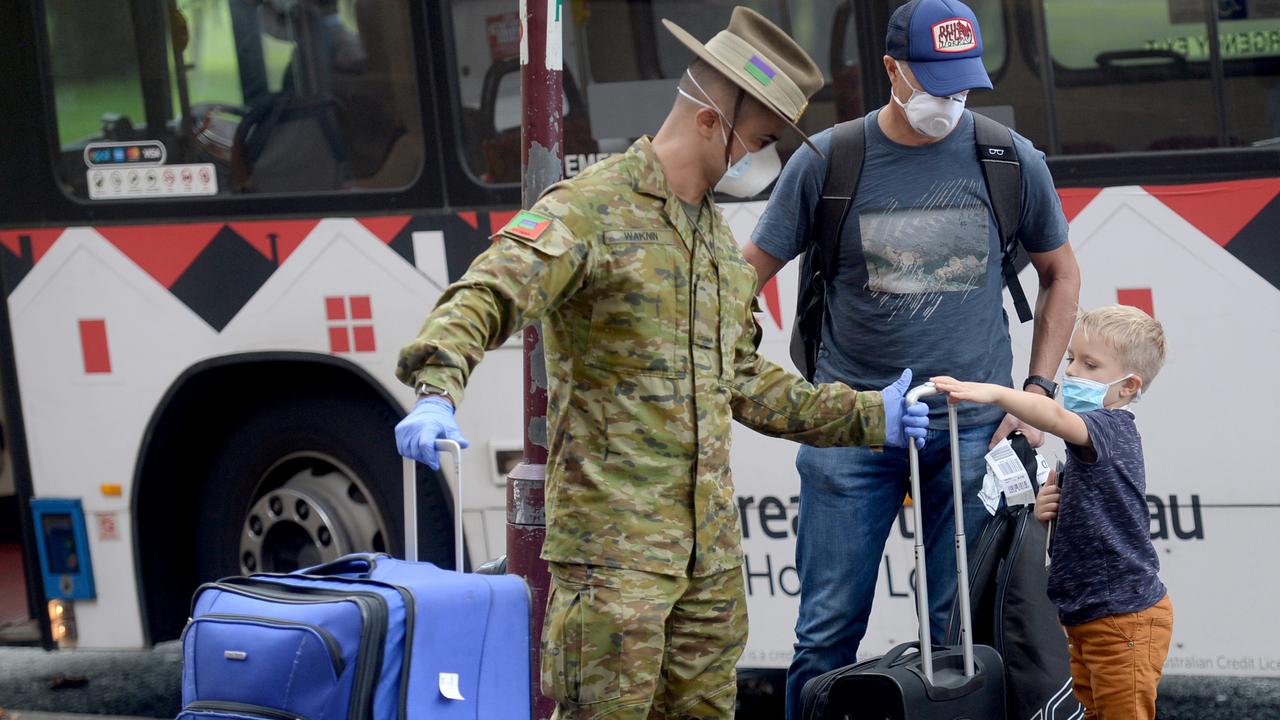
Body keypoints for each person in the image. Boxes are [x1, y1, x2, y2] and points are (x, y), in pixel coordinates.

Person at [392, 8, 929, 718]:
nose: (755, 161)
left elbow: (741, 381)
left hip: (706, 566)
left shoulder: (713, 242)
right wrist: (437, 386)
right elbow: (491, 289)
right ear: (712, 119)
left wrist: (870, 417)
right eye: (759, 140)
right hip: (614, 566)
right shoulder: (591, 211)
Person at [739, 0, 1082, 714]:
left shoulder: (1008, 159)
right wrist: (751, 379)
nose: (948, 103)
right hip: (854, 425)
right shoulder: (828, 160)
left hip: (972, 429)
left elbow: (1062, 273)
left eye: (960, 87)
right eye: (932, 84)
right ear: (891, 68)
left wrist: (1036, 397)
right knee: (826, 630)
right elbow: (740, 279)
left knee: (958, 633)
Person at [933, 304, 1173, 719]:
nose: (1073, 373)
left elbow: (1055, 417)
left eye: (1090, 365)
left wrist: (996, 393)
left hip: (1123, 620)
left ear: (1128, 386)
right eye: (1071, 360)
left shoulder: (1108, 427)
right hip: (1087, 617)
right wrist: (1054, 510)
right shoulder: (1091, 443)